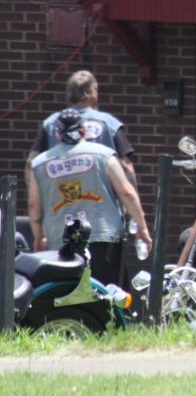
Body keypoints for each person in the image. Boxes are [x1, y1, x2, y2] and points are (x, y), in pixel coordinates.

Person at [27, 109, 152, 286]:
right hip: (102, 236)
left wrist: (39, 237)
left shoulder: (39, 164)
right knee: (108, 294)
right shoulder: (104, 155)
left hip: (60, 240)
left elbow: (33, 205)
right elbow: (127, 193)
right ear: (84, 131)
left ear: (57, 133)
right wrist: (142, 227)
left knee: (66, 291)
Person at [27, 70, 136, 185]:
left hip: (60, 197)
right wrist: (132, 197)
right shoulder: (109, 123)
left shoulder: (51, 123)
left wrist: (34, 195)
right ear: (92, 91)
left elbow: (31, 162)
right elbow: (126, 165)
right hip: (101, 198)